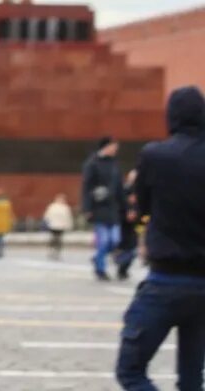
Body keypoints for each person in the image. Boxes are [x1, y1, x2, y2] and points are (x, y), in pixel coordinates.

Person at [115, 86, 205, 389]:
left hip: (166, 278)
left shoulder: (156, 155)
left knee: (130, 370)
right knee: (192, 378)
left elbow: (141, 208)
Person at [82, 135, 125, 281]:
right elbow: (86, 187)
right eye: (114, 147)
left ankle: (97, 257)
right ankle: (100, 269)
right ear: (106, 147)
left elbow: (119, 188)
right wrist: (87, 208)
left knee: (115, 239)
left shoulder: (115, 165)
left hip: (113, 208)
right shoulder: (92, 163)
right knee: (104, 241)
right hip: (99, 208)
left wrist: (126, 207)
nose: (116, 150)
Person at [116, 169, 141, 281]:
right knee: (124, 247)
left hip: (135, 224)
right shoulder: (124, 190)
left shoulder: (141, 190)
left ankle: (123, 267)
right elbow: (119, 204)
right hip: (123, 223)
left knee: (133, 249)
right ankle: (121, 266)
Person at [42, 193, 74, 261]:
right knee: (53, 238)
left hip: (61, 226)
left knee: (59, 239)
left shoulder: (65, 207)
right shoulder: (52, 206)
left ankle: (57, 252)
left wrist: (69, 225)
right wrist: (46, 222)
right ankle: (51, 250)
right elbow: (47, 215)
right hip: (53, 225)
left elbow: (68, 217)